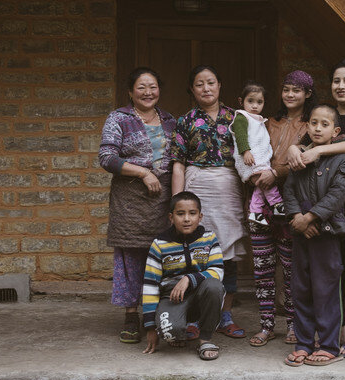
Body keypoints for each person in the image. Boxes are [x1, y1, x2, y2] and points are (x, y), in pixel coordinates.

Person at [287, 59, 345, 358]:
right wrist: (294, 148)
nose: (341, 86)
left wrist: (317, 150)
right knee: (327, 271)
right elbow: (302, 146)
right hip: (321, 205)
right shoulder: (323, 118)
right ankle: (333, 329)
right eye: (336, 81)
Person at [98, 67, 176, 344]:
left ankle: (156, 314)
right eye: (141, 87)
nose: (148, 92)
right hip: (130, 200)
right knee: (130, 257)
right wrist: (143, 173)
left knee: (162, 256)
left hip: (163, 199)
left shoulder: (170, 120)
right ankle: (131, 316)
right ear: (130, 92)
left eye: (152, 87)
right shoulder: (118, 118)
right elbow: (107, 158)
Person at [170, 65, 247, 339]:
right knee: (197, 251)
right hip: (197, 188)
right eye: (199, 84)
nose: (206, 88)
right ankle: (194, 317)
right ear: (192, 89)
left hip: (228, 190)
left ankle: (225, 316)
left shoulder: (236, 118)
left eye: (211, 82)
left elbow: (249, 157)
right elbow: (178, 164)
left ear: (219, 85)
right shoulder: (186, 120)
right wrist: (177, 203)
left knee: (228, 254)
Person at [247, 70, 318, 347]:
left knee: (291, 270)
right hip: (259, 203)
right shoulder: (267, 122)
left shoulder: (311, 125)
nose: (290, 94)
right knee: (262, 268)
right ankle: (266, 326)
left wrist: (276, 174)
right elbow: (251, 151)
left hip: (290, 205)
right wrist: (255, 175)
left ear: (308, 94)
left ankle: (292, 325)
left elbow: (306, 160)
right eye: (286, 89)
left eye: (296, 90)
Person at [282, 104, 345, 366]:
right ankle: (303, 343)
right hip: (301, 235)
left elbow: (337, 195)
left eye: (325, 124)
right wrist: (296, 218)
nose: (318, 128)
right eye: (313, 123)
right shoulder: (299, 157)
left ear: (335, 132)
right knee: (301, 289)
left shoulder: (341, 159)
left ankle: (330, 345)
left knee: (326, 290)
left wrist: (310, 217)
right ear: (307, 127)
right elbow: (289, 190)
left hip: (327, 234)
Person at [142, 191, 225, 361]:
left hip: (201, 294)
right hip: (172, 297)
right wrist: (150, 327)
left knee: (214, 286)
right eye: (180, 214)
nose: (187, 219)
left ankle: (205, 339)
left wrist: (189, 279)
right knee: (170, 333)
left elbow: (218, 271)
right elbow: (150, 285)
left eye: (192, 213)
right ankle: (178, 329)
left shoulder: (209, 238)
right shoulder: (160, 244)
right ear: (171, 217)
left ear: (200, 216)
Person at [229, 81, 285, 226]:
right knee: (265, 182)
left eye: (259, 102)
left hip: (257, 159)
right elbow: (241, 135)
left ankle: (255, 212)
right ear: (241, 101)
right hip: (248, 159)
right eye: (250, 101)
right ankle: (277, 204)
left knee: (261, 184)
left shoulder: (258, 120)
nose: (255, 106)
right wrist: (246, 151)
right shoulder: (242, 117)